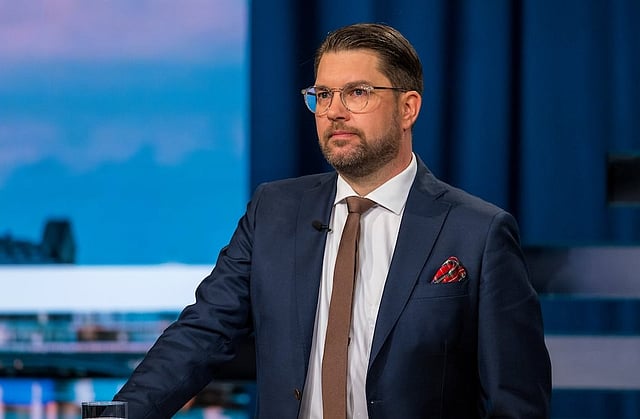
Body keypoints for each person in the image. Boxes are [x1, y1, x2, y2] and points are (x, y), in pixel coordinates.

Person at [114, 23, 551, 418]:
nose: (334, 111)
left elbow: (518, 401)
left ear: (408, 108)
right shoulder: (273, 210)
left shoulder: (477, 232)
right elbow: (201, 334)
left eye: (357, 92)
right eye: (323, 95)